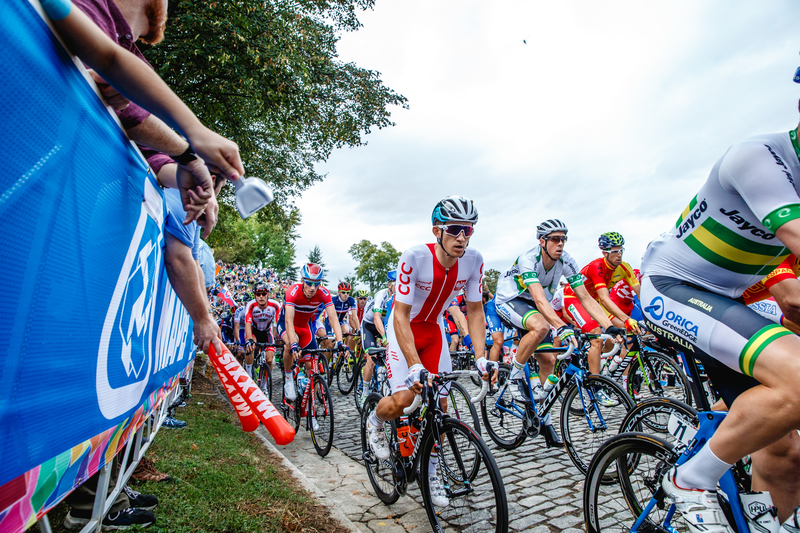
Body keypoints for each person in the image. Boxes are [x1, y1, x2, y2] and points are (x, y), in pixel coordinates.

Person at [640, 111, 800, 525]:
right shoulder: (759, 156)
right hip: (673, 287)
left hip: (729, 299)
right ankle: (691, 480)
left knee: (785, 454)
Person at [40, 0, 245, 225]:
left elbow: (151, 152)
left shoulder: (139, 65)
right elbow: (110, 68)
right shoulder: (87, 5)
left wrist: (190, 170)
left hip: (63, 199)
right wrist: (192, 142)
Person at [366, 196, 493, 508]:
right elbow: (399, 314)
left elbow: (475, 310)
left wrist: (480, 357)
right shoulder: (414, 257)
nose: (462, 237)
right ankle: (375, 421)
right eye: (455, 229)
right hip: (405, 329)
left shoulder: (474, 260)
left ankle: (431, 473)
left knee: (442, 408)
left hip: (434, 331)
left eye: (468, 230)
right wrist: (414, 365)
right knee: (404, 400)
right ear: (437, 230)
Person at [493, 219, 621, 438]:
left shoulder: (567, 261)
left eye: (563, 239)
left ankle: (545, 420)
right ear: (542, 241)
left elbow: (585, 297)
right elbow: (539, 299)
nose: (560, 243)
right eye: (555, 239)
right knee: (541, 326)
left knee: (549, 361)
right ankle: (514, 375)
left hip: (534, 305)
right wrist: (561, 326)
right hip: (511, 299)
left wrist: (609, 326)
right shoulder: (528, 259)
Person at [278, 264, 347, 402]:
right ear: (302, 280)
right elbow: (288, 321)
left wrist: (340, 342)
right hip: (287, 325)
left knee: (312, 367)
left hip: (305, 327)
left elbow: (333, 318)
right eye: (309, 283)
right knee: (290, 344)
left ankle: (311, 407)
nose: (312, 288)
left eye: (316, 284)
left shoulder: (324, 293)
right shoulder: (292, 292)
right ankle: (288, 379)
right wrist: (294, 343)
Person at [356, 271, 396, 408]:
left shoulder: (400, 297)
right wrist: (384, 337)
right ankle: (365, 392)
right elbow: (376, 318)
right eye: (397, 284)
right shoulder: (381, 295)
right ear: (389, 284)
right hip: (370, 326)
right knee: (371, 359)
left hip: (384, 326)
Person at [244, 284, 281, 377]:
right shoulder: (251, 305)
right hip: (254, 332)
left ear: (267, 294)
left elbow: (279, 323)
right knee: (250, 348)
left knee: (269, 360)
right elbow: (248, 323)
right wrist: (249, 339)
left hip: (267, 333)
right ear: (255, 295)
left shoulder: (275, 305)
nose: (261, 297)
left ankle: (265, 384)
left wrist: (281, 337)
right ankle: (248, 375)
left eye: (263, 294)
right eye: (258, 294)